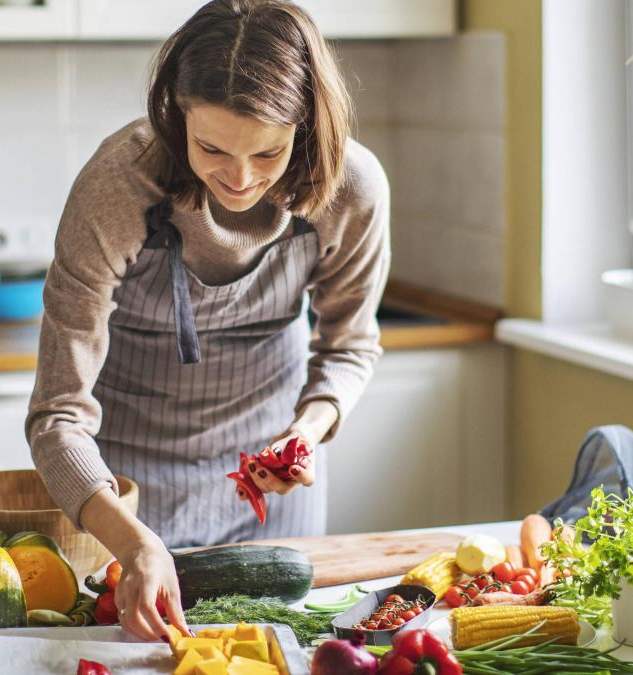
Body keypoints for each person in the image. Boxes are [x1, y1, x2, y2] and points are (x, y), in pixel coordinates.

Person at [25, 0, 390, 642]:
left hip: (273, 490)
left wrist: (305, 432)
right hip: (128, 487)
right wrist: (130, 540)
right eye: (212, 147)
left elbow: (351, 347)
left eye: (269, 154)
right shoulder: (120, 183)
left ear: (306, 129)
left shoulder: (351, 186)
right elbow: (56, 416)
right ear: (176, 113)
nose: (241, 179)